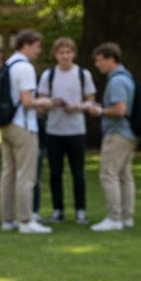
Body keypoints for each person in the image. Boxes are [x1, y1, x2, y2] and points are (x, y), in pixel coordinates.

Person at [0, 30, 55, 234]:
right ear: (27, 45)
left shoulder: (8, 64)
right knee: (26, 175)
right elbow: (27, 101)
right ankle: (26, 221)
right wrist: (46, 101)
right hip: (23, 126)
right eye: (37, 46)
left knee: (8, 173)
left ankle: (7, 220)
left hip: (6, 125)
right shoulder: (25, 68)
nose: (39, 51)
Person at [37, 37, 96, 223]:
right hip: (54, 130)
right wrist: (53, 103)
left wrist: (77, 107)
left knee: (78, 173)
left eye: (68, 52)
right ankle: (58, 210)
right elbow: (41, 101)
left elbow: (90, 100)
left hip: (76, 130)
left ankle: (80, 211)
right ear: (56, 54)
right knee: (55, 173)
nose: (65, 56)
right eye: (61, 52)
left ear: (74, 54)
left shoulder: (82, 74)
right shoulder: (49, 75)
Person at [88, 42, 136, 231]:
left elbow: (120, 109)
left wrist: (99, 111)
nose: (97, 65)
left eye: (100, 61)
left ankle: (114, 218)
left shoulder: (117, 81)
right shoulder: (126, 78)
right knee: (124, 175)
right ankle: (126, 216)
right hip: (128, 133)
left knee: (109, 174)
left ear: (110, 59)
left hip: (117, 133)